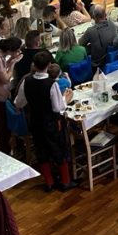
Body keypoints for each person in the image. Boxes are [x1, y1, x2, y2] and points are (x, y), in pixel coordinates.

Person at [15, 50, 76, 191]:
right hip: (52, 122)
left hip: (35, 121)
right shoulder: (51, 84)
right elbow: (57, 107)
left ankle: (49, 182)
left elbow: (19, 102)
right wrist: (66, 99)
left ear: (34, 65)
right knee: (58, 149)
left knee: (41, 150)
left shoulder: (26, 82)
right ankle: (65, 181)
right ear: (48, 65)